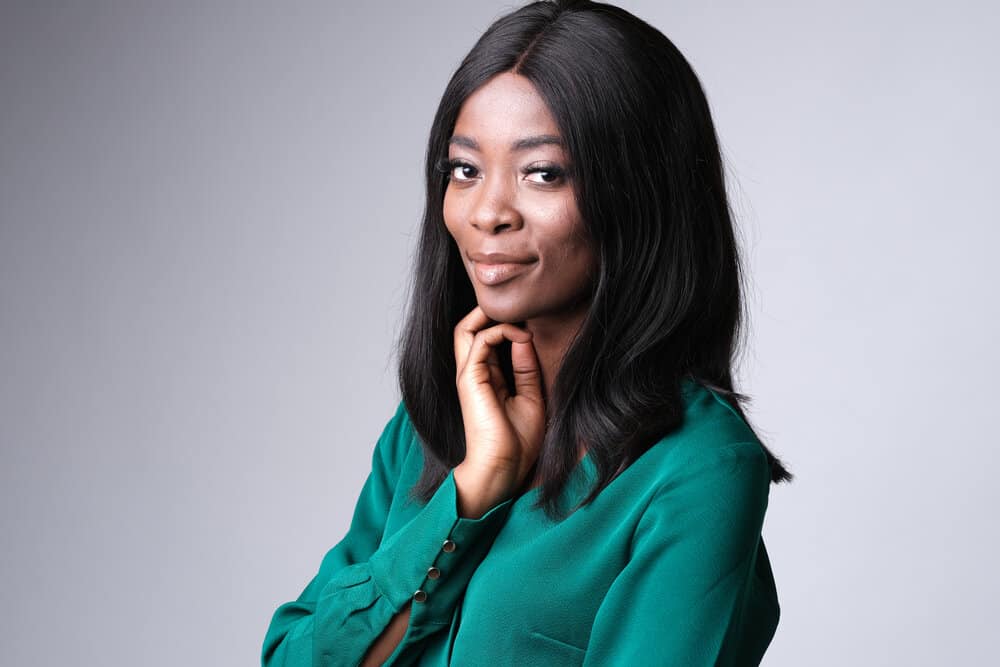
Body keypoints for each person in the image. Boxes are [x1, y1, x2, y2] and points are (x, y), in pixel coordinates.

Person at [262, 0, 794, 664]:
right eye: (465, 169)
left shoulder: (697, 465)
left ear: (638, 192)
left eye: (542, 173)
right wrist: (471, 492)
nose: (488, 212)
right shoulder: (432, 422)